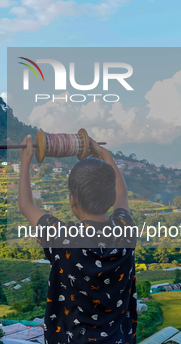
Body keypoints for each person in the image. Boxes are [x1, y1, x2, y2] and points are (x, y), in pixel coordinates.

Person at [18, 134, 137, 344]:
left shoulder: (63, 237)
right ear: (111, 199)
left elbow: (26, 206)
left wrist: (25, 162)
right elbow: (123, 195)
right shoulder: (125, 230)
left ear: (72, 199)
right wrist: (105, 154)